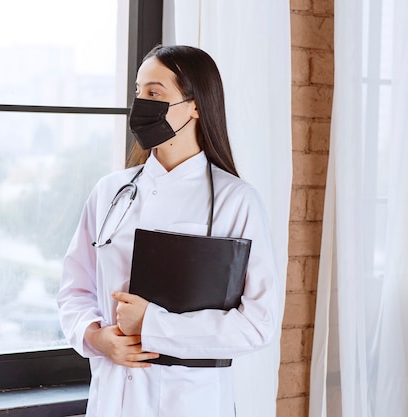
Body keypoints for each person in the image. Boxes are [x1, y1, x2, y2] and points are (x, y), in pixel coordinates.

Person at [57, 45, 280, 417]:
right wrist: (96, 337)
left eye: (155, 93)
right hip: (114, 398)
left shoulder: (236, 201)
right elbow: (74, 290)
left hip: (193, 401)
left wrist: (153, 325)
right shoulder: (111, 192)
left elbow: (258, 324)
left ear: (195, 106)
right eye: (138, 91)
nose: (141, 103)